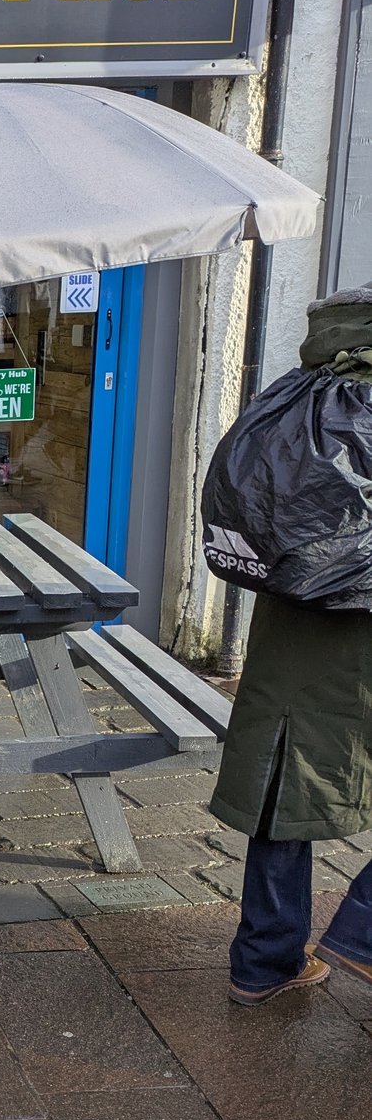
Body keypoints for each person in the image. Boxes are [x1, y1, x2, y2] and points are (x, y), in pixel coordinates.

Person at [211, 286, 372, 1002]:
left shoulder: (290, 399)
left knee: (282, 779)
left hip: (290, 626)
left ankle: (265, 962)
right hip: (361, 629)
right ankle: (364, 933)